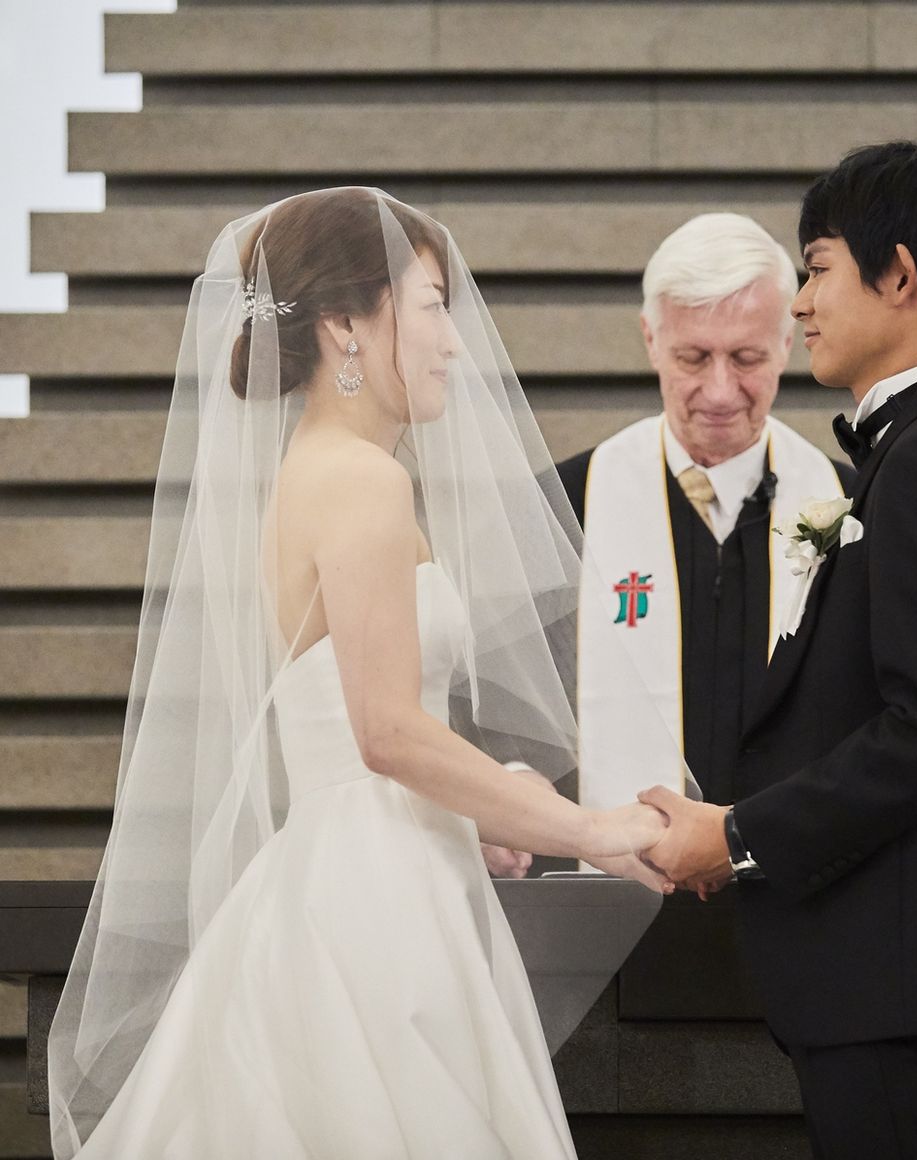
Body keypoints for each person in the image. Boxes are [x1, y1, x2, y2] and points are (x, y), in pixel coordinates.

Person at [46, 188, 678, 1159]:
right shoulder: (361, 479)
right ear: (346, 324)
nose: (454, 343)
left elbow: (351, 728)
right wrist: (585, 827)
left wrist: (478, 810)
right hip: (374, 895)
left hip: (348, 867)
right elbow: (386, 733)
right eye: (432, 307)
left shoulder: (313, 468)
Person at [639, 142, 917, 1157]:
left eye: (818, 267)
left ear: (899, 276)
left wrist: (737, 834)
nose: (801, 304)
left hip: (895, 970)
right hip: (884, 973)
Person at [555, 213, 854, 814]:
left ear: (787, 344)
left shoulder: (849, 509)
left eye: (746, 357)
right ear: (650, 339)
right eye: (693, 357)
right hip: (621, 860)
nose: (720, 392)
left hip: (792, 858)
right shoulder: (566, 503)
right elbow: (513, 708)